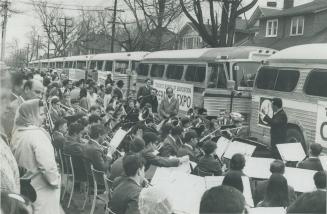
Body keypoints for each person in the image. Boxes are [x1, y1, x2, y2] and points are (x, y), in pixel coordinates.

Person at [10, 99, 61, 214]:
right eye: (41, 114)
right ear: (30, 115)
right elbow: (48, 166)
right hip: (42, 191)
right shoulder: (37, 135)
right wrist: (55, 181)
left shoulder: (17, 133)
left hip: (26, 188)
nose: (44, 118)